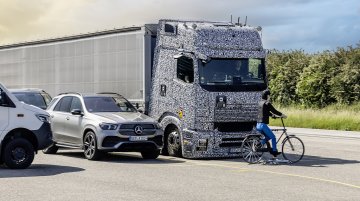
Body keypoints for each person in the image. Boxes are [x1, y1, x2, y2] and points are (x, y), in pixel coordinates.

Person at [257, 89, 287, 157]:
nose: (270, 97)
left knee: (268, 137)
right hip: (263, 125)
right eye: (269, 95)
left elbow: (266, 112)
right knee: (273, 137)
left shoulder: (260, 103)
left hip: (258, 124)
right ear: (267, 96)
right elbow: (274, 111)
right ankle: (274, 151)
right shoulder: (267, 103)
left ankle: (258, 144)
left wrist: (273, 116)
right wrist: (282, 115)